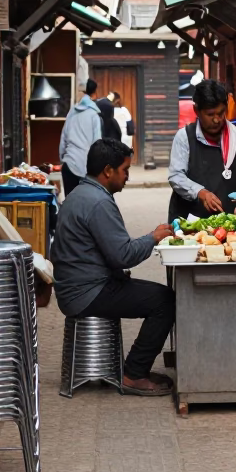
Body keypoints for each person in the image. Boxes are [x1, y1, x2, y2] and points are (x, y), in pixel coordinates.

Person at [51, 138, 176, 396]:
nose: (127, 177)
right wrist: (153, 237)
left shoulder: (78, 194)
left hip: (76, 288)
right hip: (86, 293)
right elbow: (122, 255)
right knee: (164, 301)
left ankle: (134, 369)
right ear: (108, 171)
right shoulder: (98, 202)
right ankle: (134, 374)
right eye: (125, 170)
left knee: (154, 294)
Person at [168, 78, 236, 222]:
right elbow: (176, 176)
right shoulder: (184, 137)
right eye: (210, 114)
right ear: (196, 110)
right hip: (189, 225)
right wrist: (200, 192)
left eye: (220, 113)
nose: (217, 120)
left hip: (232, 224)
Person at [58, 79, 101, 196]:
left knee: (70, 204)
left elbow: (63, 138)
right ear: (94, 93)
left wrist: (62, 158)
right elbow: (97, 144)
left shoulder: (72, 112)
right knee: (85, 206)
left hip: (69, 164)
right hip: (86, 169)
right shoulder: (94, 116)